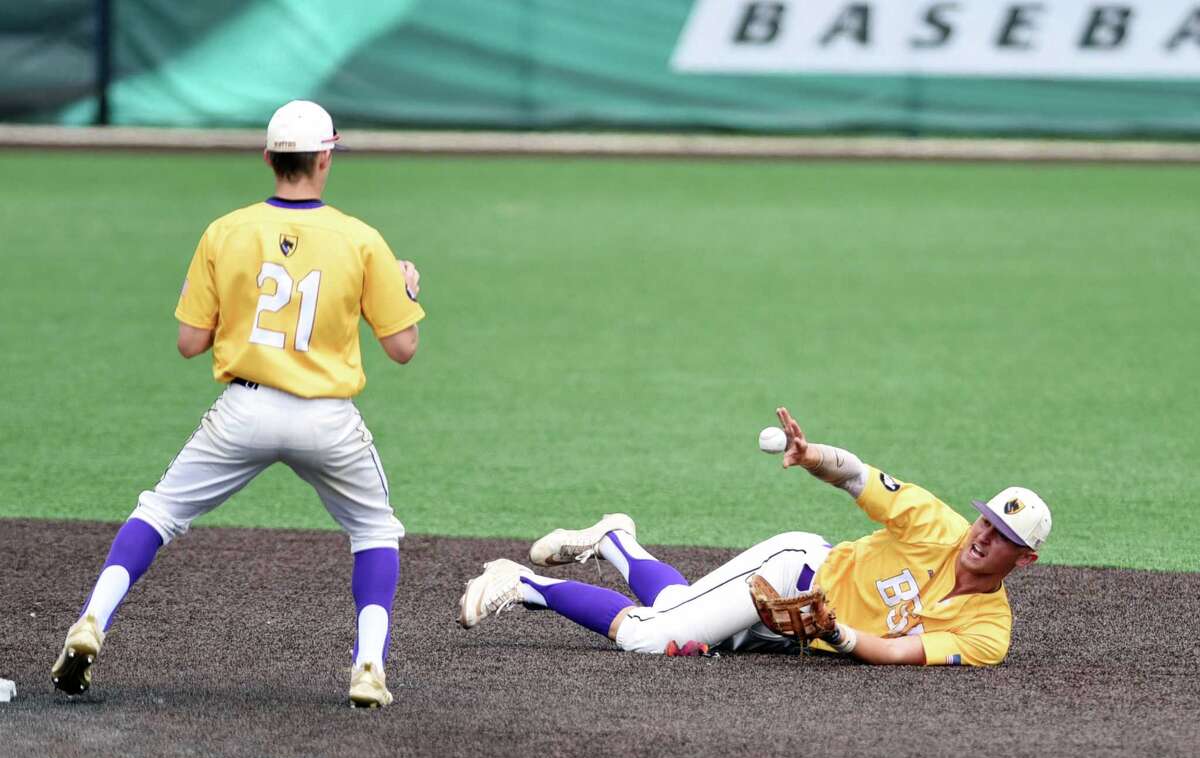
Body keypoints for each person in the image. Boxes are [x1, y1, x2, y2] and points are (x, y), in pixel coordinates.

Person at [51, 100, 426, 707]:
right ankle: (368, 666)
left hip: (244, 411)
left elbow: (189, 342)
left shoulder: (225, 232)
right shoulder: (361, 239)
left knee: (160, 512)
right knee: (374, 530)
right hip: (327, 418)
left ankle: (92, 619)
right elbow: (402, 348)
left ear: (268, 158)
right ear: (325, 159)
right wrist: (405, 288)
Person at [457, 407, 1051, 666]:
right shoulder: (937, 526)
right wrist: (812, 455)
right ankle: (524, 583)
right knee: (652, 637)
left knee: (677, 606)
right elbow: (857, 476)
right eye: (985, 520)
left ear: (1023, 559)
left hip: (803, 632)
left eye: (1001, 535)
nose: (982, 535)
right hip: (792, 572)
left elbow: (898, 653)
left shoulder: (989, 632)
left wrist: (836, 633)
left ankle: (617, 541)